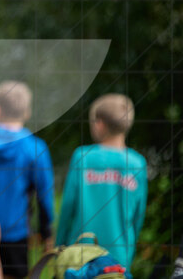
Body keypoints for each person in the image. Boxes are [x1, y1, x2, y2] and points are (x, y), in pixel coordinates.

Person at [56, 94, 147, 270]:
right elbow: (138, 215)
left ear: (99, 124)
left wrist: (60, 246)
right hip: (118, 257)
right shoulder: (137, 163)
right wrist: (130, 250)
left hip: (79, 255)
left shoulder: (82, 157)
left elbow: (68, 207)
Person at [0, 81, 55, 279]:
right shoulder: (34, 148)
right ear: (26, 112)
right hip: (16, 233)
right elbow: (44, 196)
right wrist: (46, 233)